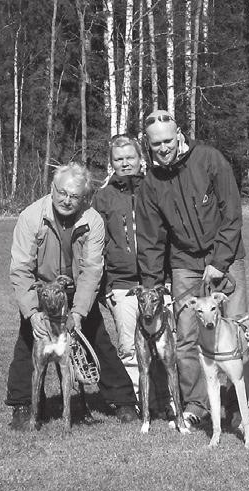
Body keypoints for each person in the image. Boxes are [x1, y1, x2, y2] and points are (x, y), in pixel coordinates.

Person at [135, 110, 247, 426]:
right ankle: (197, 405)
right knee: (185, 336)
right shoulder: (151, 184)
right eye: (155, 143)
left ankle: (237, 403)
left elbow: (232, 212)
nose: (163, 148)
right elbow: (151, 240)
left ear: (180, 134)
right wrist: (152, 287)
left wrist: (219, 261)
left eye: (168, 140)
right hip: (184, 263)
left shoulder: (210, 159)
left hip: (226, 257)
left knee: (236, 329)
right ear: (148, 143)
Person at [7, 162, 139, 430]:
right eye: (62, 193)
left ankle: (124, 401)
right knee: (27, 343)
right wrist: (32, 313)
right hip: (43, 290)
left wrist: (78, 313)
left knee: (98, 340)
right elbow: (21, 269)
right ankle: (24, 404)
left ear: (85, 197)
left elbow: (92, 270)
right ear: (52, 189)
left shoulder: (92, 220)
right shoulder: (31, 217)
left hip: (77, 289)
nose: (67, 200)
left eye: (75, 196)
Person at [92, 134, 146, 398]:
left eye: (130, 158)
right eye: (119, 159)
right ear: (112, 162)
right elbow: (96, 246)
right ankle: (136, 398)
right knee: (129, 346)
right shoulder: (103, 198)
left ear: (140, 158)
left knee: (163, 343)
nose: (125, 163)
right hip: (121, 284)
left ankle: (166, 399)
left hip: (156, 282)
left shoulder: (156, 188)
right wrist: (105, 287)